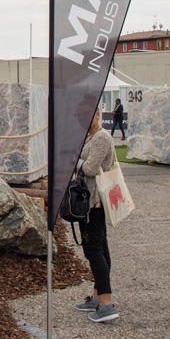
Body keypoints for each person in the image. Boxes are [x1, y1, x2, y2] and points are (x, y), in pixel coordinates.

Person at [73, 95, 120, 322]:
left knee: (94, 250)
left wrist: (74, 160)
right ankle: (98, 295)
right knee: (100, 248)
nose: (83, 118)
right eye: (80, 115)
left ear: (97, 114)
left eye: (87, 114)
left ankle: (106, 304)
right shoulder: (90, 137)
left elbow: (91, 168)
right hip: (91, 201)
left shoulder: (101, 137)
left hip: (96, 202)